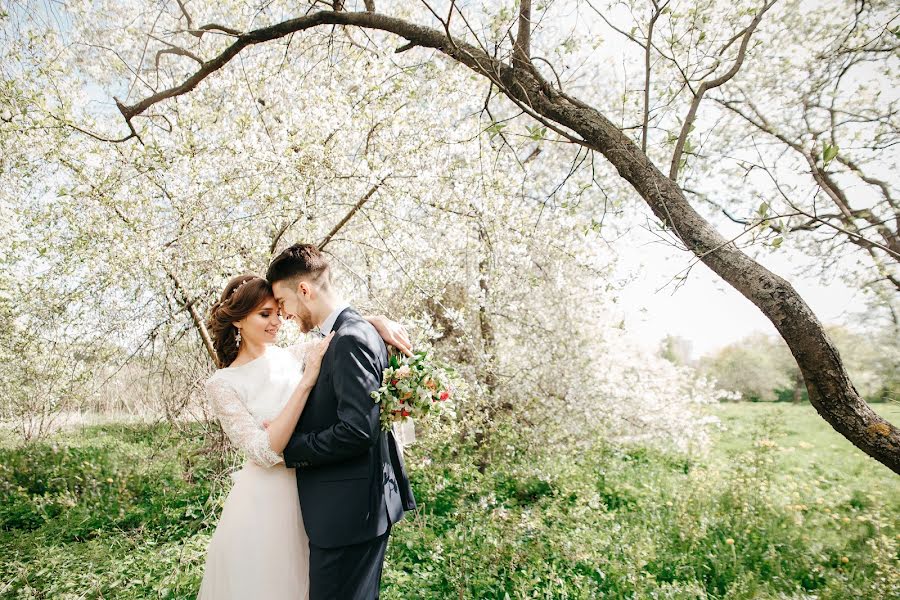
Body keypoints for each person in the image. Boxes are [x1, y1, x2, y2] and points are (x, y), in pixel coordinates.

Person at [196, 273, 410, 599]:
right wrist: (306, 382)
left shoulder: (289, 355)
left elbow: (341, 334)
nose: (277, 322)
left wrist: (374, 320)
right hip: (265, 504)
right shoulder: (222, 384)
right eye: (264, 314)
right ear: (238, 320)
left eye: (278, 313)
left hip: (313, 493)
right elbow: (264, 451)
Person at [267, 243, 417, 600]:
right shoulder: (352, 332)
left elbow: (357, 430)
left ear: (304, 290)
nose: (283, 314)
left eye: (283, 302)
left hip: (349, 517)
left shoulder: (350, 339)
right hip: (353, 510)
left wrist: (291, 448)